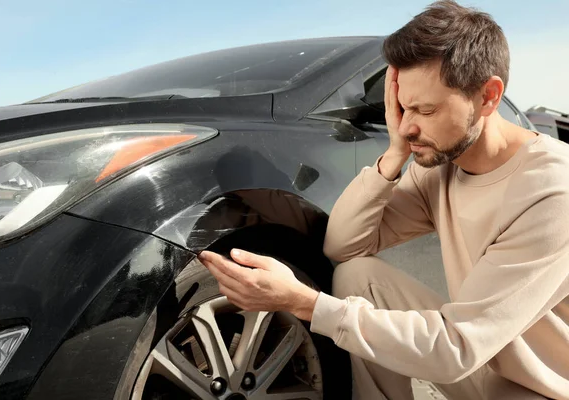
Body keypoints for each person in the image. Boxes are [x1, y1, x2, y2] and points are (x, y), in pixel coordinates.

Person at [197, 1, 569, 399]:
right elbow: (344, 246)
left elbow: (455, 348)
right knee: (358, 279)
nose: (409, 126)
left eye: (426, 109)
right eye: (404, 107)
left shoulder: (551, 191)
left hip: (539, 388)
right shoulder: (439, 167)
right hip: (484, 364)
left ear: (487, 97)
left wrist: (305, 303)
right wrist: (392, 158)